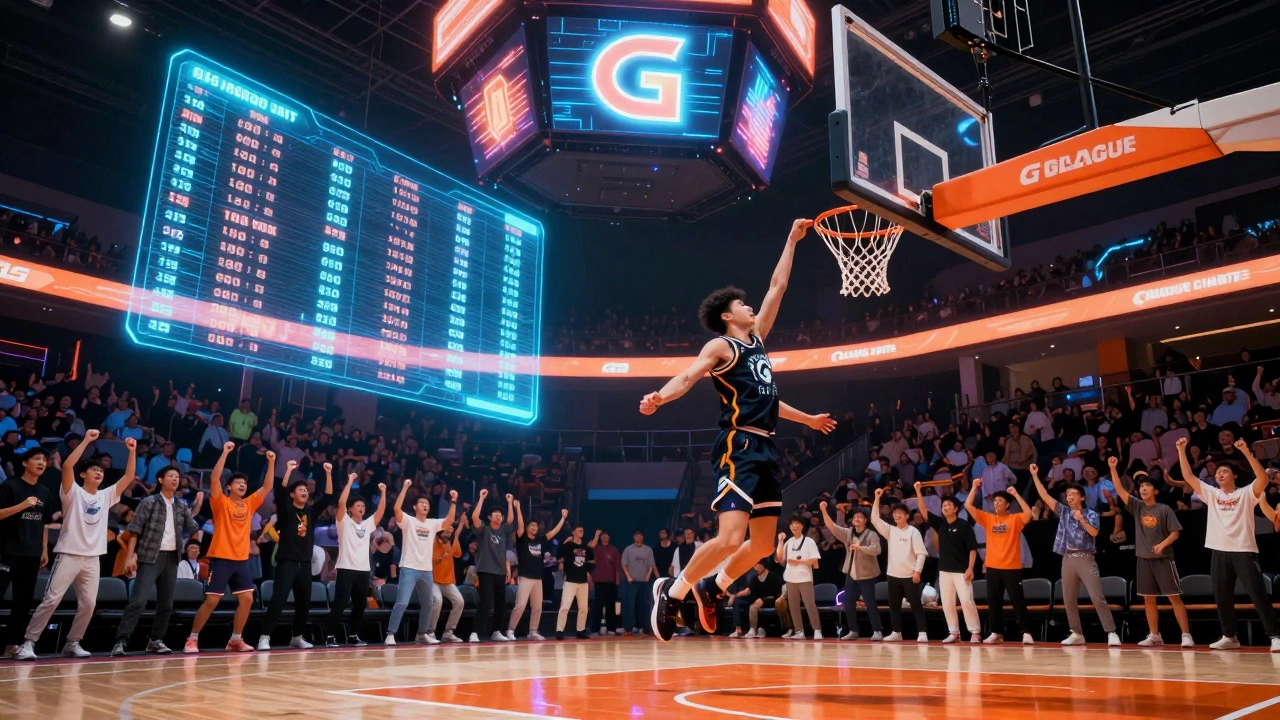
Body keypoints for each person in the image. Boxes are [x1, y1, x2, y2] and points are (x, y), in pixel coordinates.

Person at [640, 219, 838, 642]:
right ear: (728, 316)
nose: (752, 307)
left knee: (764, 544)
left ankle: (713, 588)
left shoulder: (759, 342)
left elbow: (777, 287)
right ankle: (672, 594)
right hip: (739, 443)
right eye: (743, 305)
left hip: (766, 446)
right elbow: (688, 377)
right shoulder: (721, 346)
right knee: (730, 536)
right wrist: (659, 397)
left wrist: (791, 241)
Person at [15, 431, 138, 660]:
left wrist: (132, 451)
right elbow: (68, 466)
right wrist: (87, 441)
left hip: (93, 557)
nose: (99, 472)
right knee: (51, 599)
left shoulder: (107, 496)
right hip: (69, 554)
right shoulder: (72, 492)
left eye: (101, 470)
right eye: (94, 469)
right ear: (83, 474)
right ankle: (29, 643)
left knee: (89, 604)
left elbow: (129, 476)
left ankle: (73, 642)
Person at [1175, 437, 1280, 651]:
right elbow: (1188, 476)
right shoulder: (1211, 494)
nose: (1219, 474)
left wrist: (1246, 452)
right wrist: (1181, 450)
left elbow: (1262, 478)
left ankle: (1275, 635)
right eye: (1217, 473)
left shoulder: (1246, 494)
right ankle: (1230, 636)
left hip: (1244, 550)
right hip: (1219, 551)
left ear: (1234, 476)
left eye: (1224, 472)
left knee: (1257, 594)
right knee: (1222, 595)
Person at [185, 442, 276, 654]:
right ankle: (192, 638)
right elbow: (215, 478)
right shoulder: (221, 502)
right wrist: (225, 452)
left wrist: (271, 462)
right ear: (229, 487)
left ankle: (236, 639)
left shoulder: (250, 503)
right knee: (212, 600)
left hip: (241, 560)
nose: (242, 485)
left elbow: (268, 486)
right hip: (221, 558)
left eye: (244, 483)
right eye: (238, 483)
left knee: (247, 599)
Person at [112, 465, 205, 656]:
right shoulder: (149, 502)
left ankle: (156, 640)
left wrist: (197, 505)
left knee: (166, 604)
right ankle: (121, 641)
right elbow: (135, 530)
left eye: (177, 477)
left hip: (172, 558)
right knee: (138, 601)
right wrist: (130, 556)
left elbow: (192, 526)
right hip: (149, 556)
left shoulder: (180, 505)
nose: (175, 479)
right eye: (171, 476)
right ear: (161, 480)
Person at [1029, 464, 1121, 646]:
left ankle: (1111, 632)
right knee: (1069, 599)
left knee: (1096, 596)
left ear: (1082, 497)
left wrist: (1082, 520)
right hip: (1068, 558)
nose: (1069, 497)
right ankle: (1076, 632)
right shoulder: (1063, 512)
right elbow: (1045, 496)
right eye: (1068, 494)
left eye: (1073, 494)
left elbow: (1094, 533)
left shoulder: (1091, 513)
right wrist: (1034, 475)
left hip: (1085, 558)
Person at [1108, 457, 1193, 648]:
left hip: (1164, 559)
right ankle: (1155, 635)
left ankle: (1186, 634)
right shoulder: (1138, 507)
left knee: (1174, 597)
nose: (1144, 489)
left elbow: (1175, 533)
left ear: (1155, 490)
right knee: (1148, 598)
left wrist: (1163, 544)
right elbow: (1120, 490)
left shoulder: (1164, 509)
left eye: (1148, 486)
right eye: (1142, 487)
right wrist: (1113, 468)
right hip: (1143, 560)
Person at [257, 460, 333, 650]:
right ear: (292, 495)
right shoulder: (286, 511)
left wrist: (329, 474)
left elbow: (328, 497)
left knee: (304, 602)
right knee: (279, 599)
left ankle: (297, 637)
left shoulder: (311, 512)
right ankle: (265, 636)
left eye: (306, 490)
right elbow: (279, 492)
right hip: (287, 562)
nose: (304, 492)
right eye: (300, 490)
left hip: (305, 563)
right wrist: (289, 470)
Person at [965, 477, 1035, 644]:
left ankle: (1026, 632)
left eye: (1000, 501)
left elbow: (1029, 514)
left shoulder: (1015, 519)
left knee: (1017, 601)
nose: (996, 503)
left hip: (1011, 567)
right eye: (995, 500)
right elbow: (968, 506)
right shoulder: (988, 519)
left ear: (1007, 505)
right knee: (993, 601)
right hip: (993, 567)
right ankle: (996, 632)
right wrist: (974, 487)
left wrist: (1016, 494)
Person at [386, 478, 456, 645]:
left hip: (426, 570)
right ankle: (390, 633)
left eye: (427, 503)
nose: (425, 505)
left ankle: (422, 634)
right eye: (422, 503)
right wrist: (405, 487)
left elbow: (449, 521)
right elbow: (396, 508)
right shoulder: (409, 521)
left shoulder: (432, 524)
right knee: (402, 602)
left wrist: (453, 501)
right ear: (415, 507)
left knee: (429, 603)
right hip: (409, 567)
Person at [322, 472, 388, 648]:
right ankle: (330, 636)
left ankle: (353, 635)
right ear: (351, 509)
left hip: (363, 570)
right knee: (340, 603)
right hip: (346, 568)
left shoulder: (367, 524)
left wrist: (383, 492)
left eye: (363, 506)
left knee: (359, 605)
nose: (361, 508)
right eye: (358, 505)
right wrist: (350, 480)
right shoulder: (343, 522)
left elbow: (381, 511)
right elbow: (342, 502)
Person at [0, 447, 53, 658]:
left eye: (44, 459)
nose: (41, 462)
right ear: (25, 462)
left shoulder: (44, 491)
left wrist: (43, 550)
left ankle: (13, 644)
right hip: (7, 551)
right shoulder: (9, 486)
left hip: (31, 554)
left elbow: (44, 524)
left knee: (23, 602)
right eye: (37, 459)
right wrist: (22, 505)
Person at [913, 483, 979, 644]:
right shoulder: (940, 523)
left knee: (966, 601)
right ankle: (954, 632)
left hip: (962, 570)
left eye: (949, 505)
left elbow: (972, 549)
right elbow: (923, 511)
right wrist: (917, 491)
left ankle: (975, 632)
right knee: (947, 602)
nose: (945, 507)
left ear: (956, 508)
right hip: (944, 570)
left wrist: (970, 568)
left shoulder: (964, 526)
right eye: (943, 505)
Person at [818, 501, 882, 641]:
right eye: (854, 517)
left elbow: (877, 550)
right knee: (848, 603)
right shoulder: (848, 533)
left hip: (867, 574)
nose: (856, 519)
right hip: (851, 574)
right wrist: (823, 510)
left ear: (866, 520)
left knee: (870, 603)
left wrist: (860, 548)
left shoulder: (871, 534)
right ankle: (853, 630)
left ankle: (877, 630)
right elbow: (832, 527)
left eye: (860, 517)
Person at [871, 489, 927, 642]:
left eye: (900, 513)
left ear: (907, 516)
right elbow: (874, 519)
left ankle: (922, 632)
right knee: (894, 606)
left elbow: (921, 553)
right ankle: (896, 632)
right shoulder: (890, 531)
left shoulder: (913, 532)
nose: (897, 515)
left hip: (910, 574)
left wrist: (917, 571)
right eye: (895, 513)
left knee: (915, 604)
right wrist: (877, 498)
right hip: (893, 575)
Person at [508, 506, 568, 640]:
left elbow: (553, 532)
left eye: (536, 526)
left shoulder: (540, 540)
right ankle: (511, 630)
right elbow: (521, 525)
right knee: (521, 605)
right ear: (527, 527)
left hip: (538, 578)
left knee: (537, 606)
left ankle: (533, 631)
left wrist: (563, 519)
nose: (534, 528)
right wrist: (518, 508)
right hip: (525, 577)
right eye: (532, 526)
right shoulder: (522, 539)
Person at [470, 489, 516, 643]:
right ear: (490, 517)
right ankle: (475, 632)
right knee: (485, 602)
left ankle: (496, 631)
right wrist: (481, 498)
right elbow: (475, 517)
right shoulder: (484, 530)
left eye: (500, 515)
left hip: (500, 572)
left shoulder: (503, 531)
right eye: (496, 515)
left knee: (500, 603)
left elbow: (510, 520)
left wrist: (510, 503)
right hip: (485, 571)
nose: (499, 517)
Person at [776, 514, 821, 640]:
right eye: (792, 524)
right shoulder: (788, 542)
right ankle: (799, 631)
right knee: (793, 606)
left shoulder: (809, 541)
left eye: (797, 523)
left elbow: (815, 562)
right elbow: (779, 558)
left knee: (809, 604)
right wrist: (780, 541)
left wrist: (799, 562)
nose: (794, 526)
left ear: (802, 526)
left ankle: (817, 630)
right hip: (790, 578)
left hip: (805, 578)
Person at [556, 524, 595, 640]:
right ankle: (559, 630)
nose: (582, 531)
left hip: (582, 581)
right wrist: (564, 541)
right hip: (570, 580)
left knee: (583, 607)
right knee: (565, 606)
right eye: (579, 530)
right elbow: (559, 554)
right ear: (573, 532)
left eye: (583, 530)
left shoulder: (585, 546)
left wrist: (588, 572)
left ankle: (580, 630)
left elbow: (590, 560)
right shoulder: (568, 545)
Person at [427, 521, 464, 643]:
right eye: (447, 531)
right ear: (440, 530)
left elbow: (458, 554)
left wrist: (455, 538)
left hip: (448, 581)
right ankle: (429, 632)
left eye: (451, 531)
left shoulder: (451, 542)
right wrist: (441, 558)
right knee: (437, 600)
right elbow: (431, 559)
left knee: (459, 601)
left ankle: (448, 632)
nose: (449, 532)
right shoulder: (433, 541)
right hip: (433, 579)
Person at [620, 529, 657, 636]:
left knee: (644, 606)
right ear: (634, 537)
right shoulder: (628, 549)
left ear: (643, 537)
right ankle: (628, 628)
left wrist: (647, 576)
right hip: (632, 582)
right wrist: (628, 576)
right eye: (637, 535)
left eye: (640, 535)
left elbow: (651, 565)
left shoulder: (648, 550)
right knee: (629, 605)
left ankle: (643, 628)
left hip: (643, 582)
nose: (639, 537)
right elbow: (624, 564)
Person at [589, 530, 622, 635]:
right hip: (598, 582)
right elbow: (589, 546)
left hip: (610, 582)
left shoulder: (614, 550)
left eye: (606, 536)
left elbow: (617, 567)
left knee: (610, 606)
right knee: (597, 607)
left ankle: (611, 629)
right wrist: (596, 535)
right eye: (603, 536)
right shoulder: (596, 548)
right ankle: (595, 629)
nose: (605, 538)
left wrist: (617, 580)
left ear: (609, 538)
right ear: (600, 537)